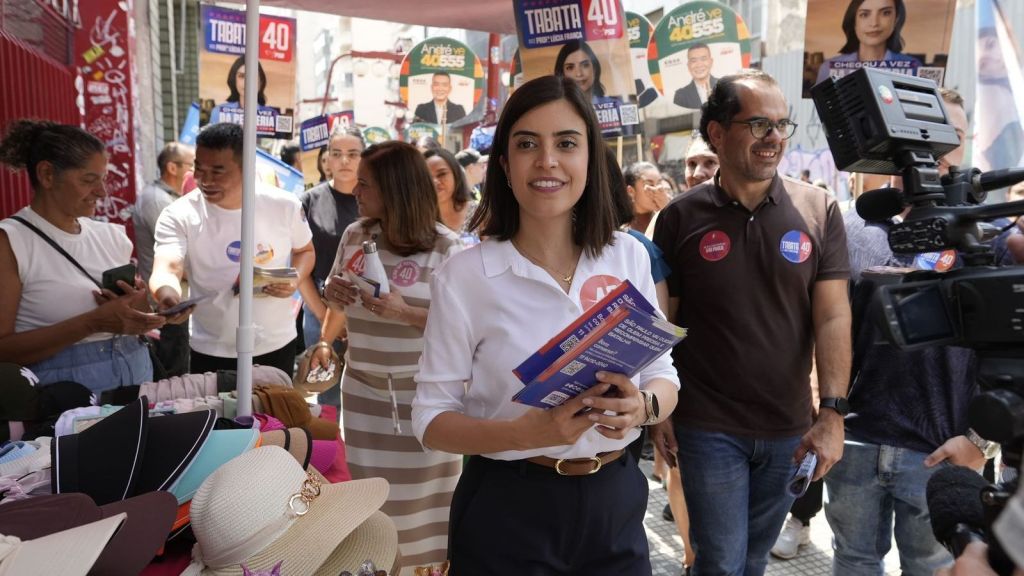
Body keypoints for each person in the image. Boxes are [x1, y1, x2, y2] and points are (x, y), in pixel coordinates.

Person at [411, 75, 680, 575]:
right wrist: (523, 433)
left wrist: (641, 407)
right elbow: (430, 421)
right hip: (508, 506)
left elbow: (664, 370)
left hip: (616, 499)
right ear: (505, 165)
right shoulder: (465, 276)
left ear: (590, 159)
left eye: (566, 143)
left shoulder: (628, 257)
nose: (548, 161)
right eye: (527, 144)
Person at [652, 69, 852, 576]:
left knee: (754, 559)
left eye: (782, 125)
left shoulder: (819, 208)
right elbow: (665, 323)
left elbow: (832, 315)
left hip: (790, 428)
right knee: (719, 561)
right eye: (759, 123)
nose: (774, 138)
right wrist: (660, 407)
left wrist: (831, 413)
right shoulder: (679, 217)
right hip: (706, 426)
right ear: (717, 133)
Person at [823, 88, 987, 576]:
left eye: (949, 137)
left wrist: (980, 440)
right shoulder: (855, 228)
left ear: (967, 141)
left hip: (941, 452)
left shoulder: (990, 238)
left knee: (933, 566)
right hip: (855, 440)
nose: (934, 152)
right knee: (852, 560)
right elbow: (824, 326)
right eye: (919, 138)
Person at [316, 141, 463, 573]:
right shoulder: (357, 234)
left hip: (427, 403)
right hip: (364, 397)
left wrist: (404, 312)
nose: (356, 191)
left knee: (430, 511)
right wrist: (333, 292)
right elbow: (333, 290)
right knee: (370, 504)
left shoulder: (447, 248)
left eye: (366, 184)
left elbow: (465, 329)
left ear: (395, 189)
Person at [0, 120, 165, 392]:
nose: (102, 192)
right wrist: (93, 322)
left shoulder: (112, 237)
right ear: (47, 175)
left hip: (137, 380)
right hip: (61, 402)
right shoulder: (11, 242)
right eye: (89, 180)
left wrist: (140, 307)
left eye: (103, 179)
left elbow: (132, 316)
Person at [149, 122, 314, 377]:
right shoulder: (179, 214)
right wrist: (168, 295)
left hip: (276, 341)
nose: (205, 180)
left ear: (247, 167)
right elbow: (167, 266)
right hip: (211, 347)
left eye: (218, 171)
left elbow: (305, 251)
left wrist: (294, 278)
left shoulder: (284, 206)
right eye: (199, 169)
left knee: (272, 416)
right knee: (218, 416)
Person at [649, 134, 720, 574]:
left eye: (707, 161)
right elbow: (660, 313)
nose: (696, 171)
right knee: (678, 473)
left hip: (738, 389)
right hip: (679, 377)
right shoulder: (670, 219)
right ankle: (691, 555)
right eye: (691, 162)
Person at [297, 127, 365, 412]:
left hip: (369, 314)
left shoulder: (380, 202)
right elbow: (299, 264)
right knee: (327, 398)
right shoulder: (309, 201)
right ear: (326, 159)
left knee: (366, 397)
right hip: (318, 309)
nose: (345, 161)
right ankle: (331, 455)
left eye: (353, 154)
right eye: (337, 154)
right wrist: (326, 317)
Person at [133, 141, 194, 377]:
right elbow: (176, 256)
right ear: (172, 167)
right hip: (168, 299)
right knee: (173, 372)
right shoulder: (157, 200)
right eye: (192, 165)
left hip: (177, 297)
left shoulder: (168, 197)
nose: (196, 172)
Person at [815, 0, 923, 84]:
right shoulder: (828, 68)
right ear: (854, 22)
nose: (874, 23)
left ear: (896, 19)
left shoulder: (913, 68)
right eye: (864, 14)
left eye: (885, 13)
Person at [424, 148, 476, 234]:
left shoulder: (478, 214)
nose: (435, 182)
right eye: (428, 177)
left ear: (456, 174)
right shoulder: (418, 219)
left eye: (442, 174)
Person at [210, 56, 269, 124]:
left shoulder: (274, 116)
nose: (247, 82)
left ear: (261, 81)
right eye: (242, 76)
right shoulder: (218, 113)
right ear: (234, 80)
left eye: (253, 76)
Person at [623, 161, 671, 236]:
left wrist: (668, 210)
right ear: (631, 191)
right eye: (649, 184)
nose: (657, 189)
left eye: (659, 183)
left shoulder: (666, 218)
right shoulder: (621, 229)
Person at [673, 43, 718, 110]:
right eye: (693, 61)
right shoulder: (681, 95)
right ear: (688, 65)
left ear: (711, 62)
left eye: (703, 59)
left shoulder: (725, 87)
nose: (699, 65)